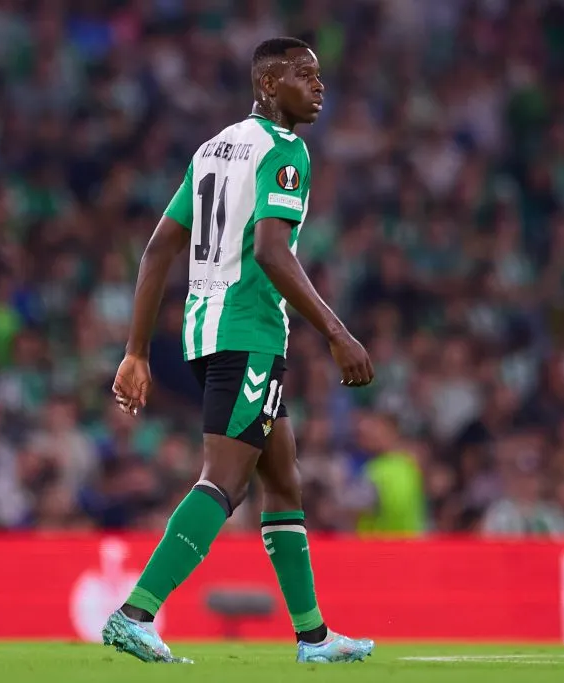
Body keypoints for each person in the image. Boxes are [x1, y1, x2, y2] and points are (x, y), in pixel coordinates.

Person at [103, 37, 375, 664]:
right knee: (223, 482)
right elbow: (273, 252)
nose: (318, 86)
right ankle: (136, 612)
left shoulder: (212, 149)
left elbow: (158, 249)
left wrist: (138, 351)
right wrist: (337, 333)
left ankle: (313, 638)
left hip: (207, 330)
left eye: (319, 75)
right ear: (268, 84)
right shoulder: (286, 151)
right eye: (303, 75)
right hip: (248, 331)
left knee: (282, 478)